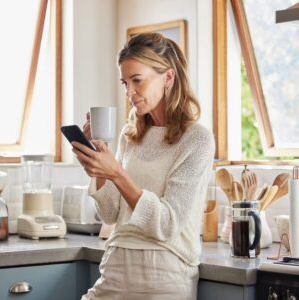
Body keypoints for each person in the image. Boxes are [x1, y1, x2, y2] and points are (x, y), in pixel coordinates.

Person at [72, 32, 215, 300]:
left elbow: (167, 224)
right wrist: (97, 166)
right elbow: (111, 214)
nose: (129, 92)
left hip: (164, 273)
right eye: (125, 83)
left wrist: (116, 172)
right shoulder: (131, 135)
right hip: (115, 266)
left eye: (137, 80)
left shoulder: (197, 140)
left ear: (168, 77)